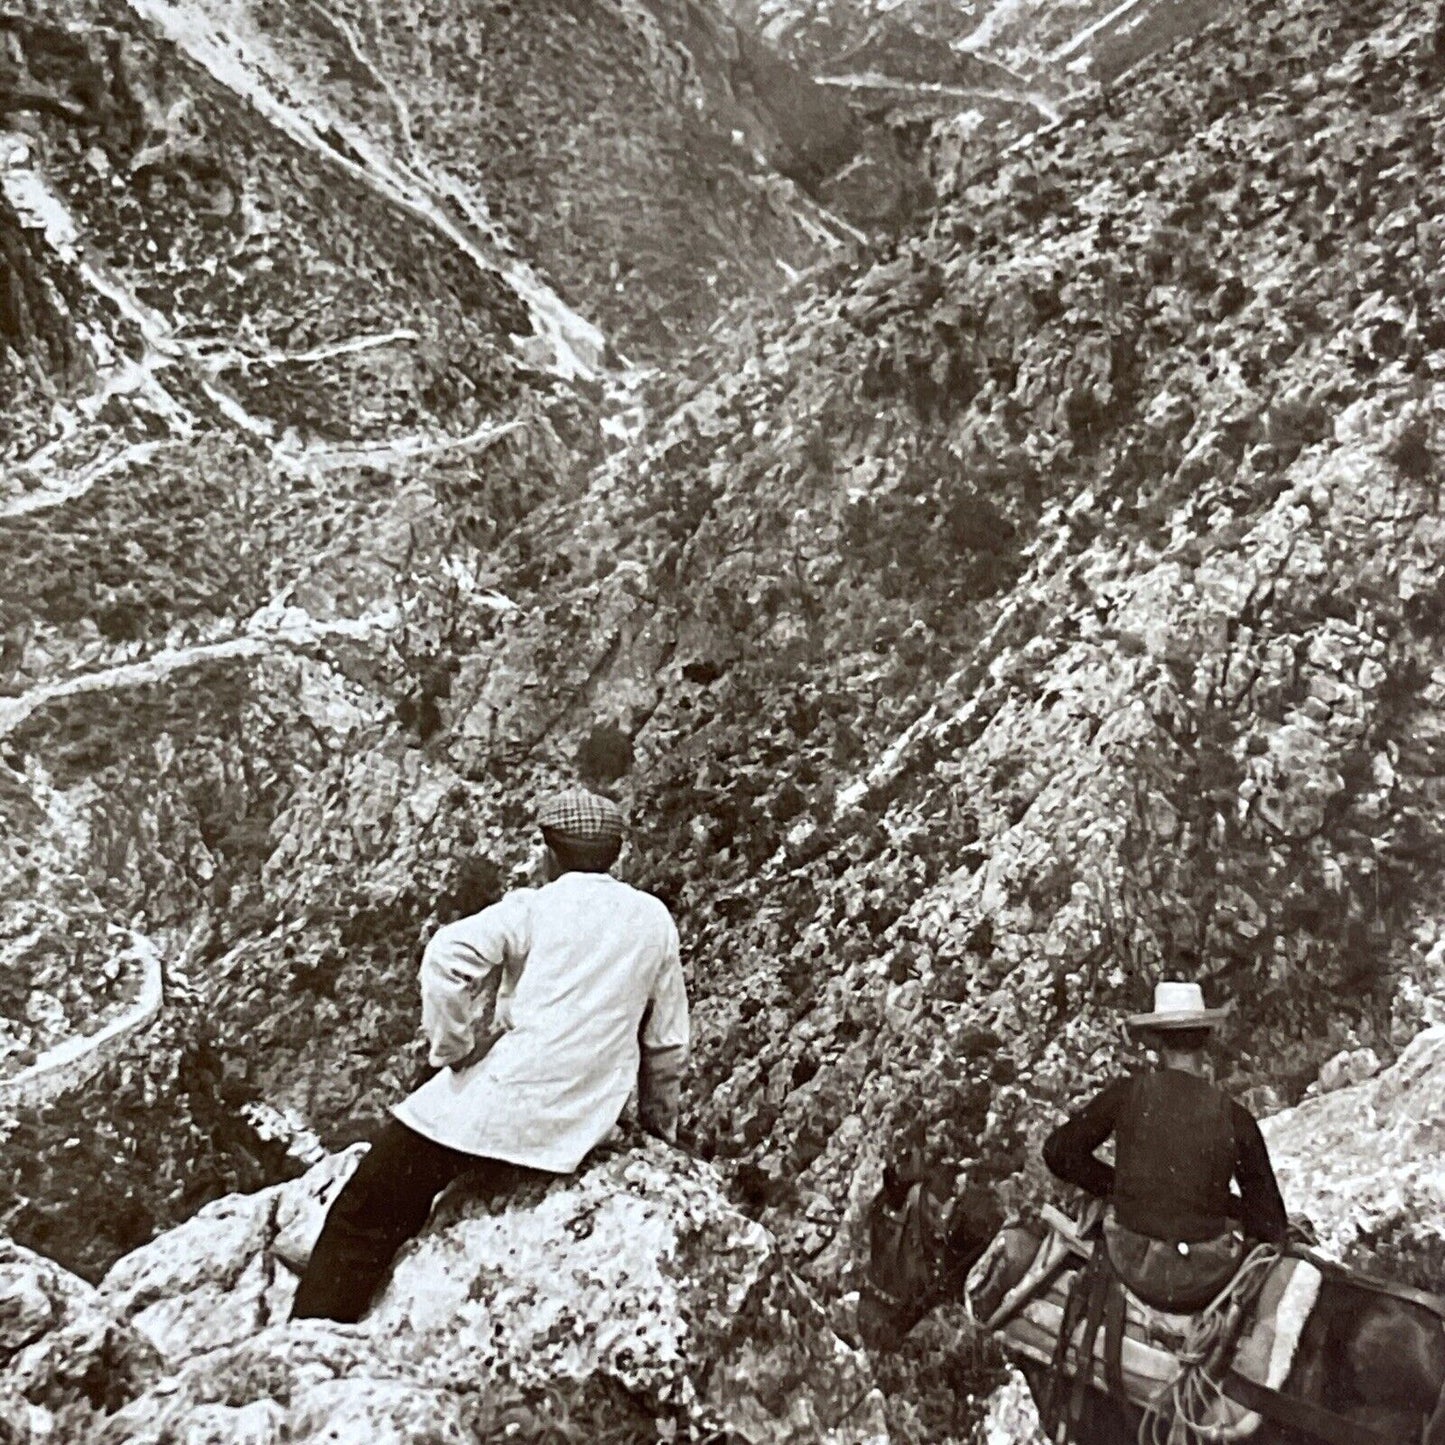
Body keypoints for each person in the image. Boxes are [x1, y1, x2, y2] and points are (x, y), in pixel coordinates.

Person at [290, 788, 689, 1323]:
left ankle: (313, 1334)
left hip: (501, 1106)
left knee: (366, 1210)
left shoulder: (533, 907)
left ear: (548, 851)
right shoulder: (653, 920)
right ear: (616, 855)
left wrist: (454, 1049)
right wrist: (660, 1132)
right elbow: (666, 1044)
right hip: (582, 1123)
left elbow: (444, 960)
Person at [1042, 980, 1287, 1311]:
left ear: (1157, 1041)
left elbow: (1057, 1152)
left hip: (1131, 1261)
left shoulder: (1127, 1095)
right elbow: (1271, 1224)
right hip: (1202, 1278)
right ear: (1207, 1040)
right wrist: (1219, 1206)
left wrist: (1122, 1189)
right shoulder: (1235, 1117)